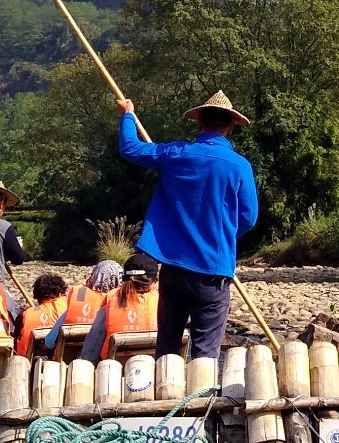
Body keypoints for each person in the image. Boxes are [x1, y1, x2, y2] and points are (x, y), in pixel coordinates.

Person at [114, 91, 259, 359]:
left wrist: (127, 115)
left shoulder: (176, 153)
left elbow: (130, 148)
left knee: (167, 347)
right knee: (205, 354)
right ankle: (201, 398)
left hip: (173, 269)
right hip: (213, 273)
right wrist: (223, 234)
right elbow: (248, 218)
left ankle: (164, 394)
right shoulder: (240, 167)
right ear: (230, 126)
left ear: (200, 123)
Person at [78, 262, 160, 362]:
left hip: (113, 367)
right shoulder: (160, 302)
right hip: (152, 365)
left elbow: (92, 346)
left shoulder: (108, 301)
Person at [15, 274, 71, 357]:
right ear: (59, 294)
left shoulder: (25, 314)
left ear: (37, 296)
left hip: (30, 361)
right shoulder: (68, 309)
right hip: (60, 360)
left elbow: (16, 343)